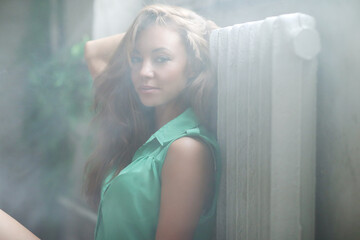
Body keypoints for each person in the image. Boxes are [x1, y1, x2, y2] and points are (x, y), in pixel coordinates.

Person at [84, 4, 221, 240]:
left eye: (161, 58)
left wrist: (199, 29)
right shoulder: (144, 131)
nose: (144, 72)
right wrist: (153, 22)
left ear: (192, 67)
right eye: (136, 58)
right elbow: (93, 52)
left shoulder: (186, 149)